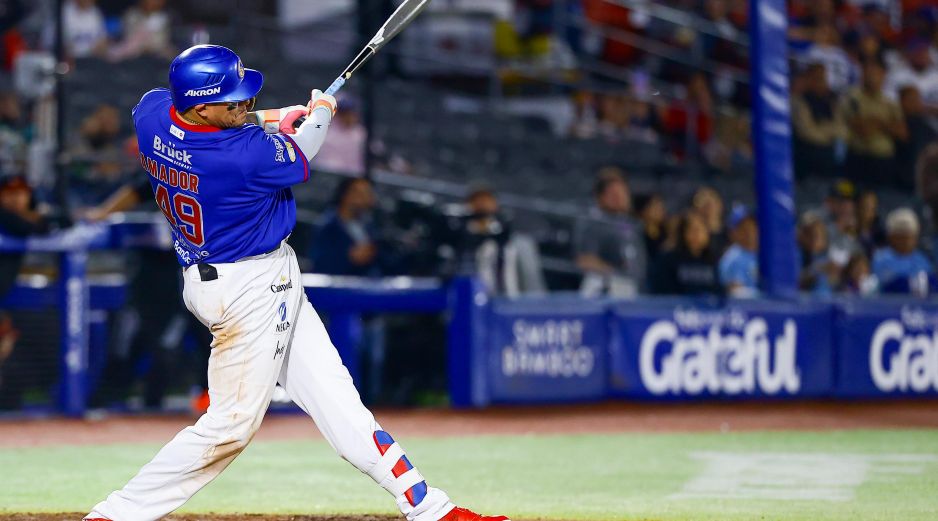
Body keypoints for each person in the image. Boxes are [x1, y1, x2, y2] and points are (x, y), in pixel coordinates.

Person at [82, 44, 506, 521]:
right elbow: (305, 150)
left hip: (228, 276)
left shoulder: (154, 113)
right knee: (229, 428)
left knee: (339, 402)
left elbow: (213, 123)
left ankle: (429, 507)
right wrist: (320, 111)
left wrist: (274, 115)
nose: (244, 107)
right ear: (201, 106)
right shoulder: (240, 157)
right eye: (233, 101)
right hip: (249, 289)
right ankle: (114, 515)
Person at [574, 167, 647, 297]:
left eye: (623, 192)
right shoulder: (594, 223)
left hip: (636, 288)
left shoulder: (631, 222)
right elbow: (585, 261)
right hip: (609, 288)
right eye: (614, 194)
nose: (621, 198)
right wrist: (617, 274)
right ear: (600, 197)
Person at [837, 60, 908, 187]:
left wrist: (878, 123)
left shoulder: (890, 102)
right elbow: (863, 130)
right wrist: (888, 125)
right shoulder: (852, 97)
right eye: (870, 74)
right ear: (863, 75)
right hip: (858, 159)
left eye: (878, 74)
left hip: (884, 160)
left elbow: (902, 133)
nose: (874, 78)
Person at [309, 177, 382, 276]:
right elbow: (319, 263)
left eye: (368, 194)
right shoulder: (327, 226)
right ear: (346, 195)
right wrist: (349, 258)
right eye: (361, 194)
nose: (367, 198)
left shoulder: (369, 226)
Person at [652, 211, 721, 296]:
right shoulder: (668, 259)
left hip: (707, 308)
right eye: (692, 230)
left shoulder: (713, 260)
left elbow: (719, 292)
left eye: (701, 230)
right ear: (683, 233)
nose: (697, 235)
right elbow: (663, 291)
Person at [871, 208, 934, 294]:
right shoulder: (880, 258)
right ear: (891, 237)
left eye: (910, 237)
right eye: (901, 237)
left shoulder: (922, 260)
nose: (906, 242)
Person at [718, 204, 759, 298]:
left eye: (753, 227)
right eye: (743, 229)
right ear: (732, 232)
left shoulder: (765, 254)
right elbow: (736, 293)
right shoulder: (731, 258)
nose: (749, 233)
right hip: (746, 311)